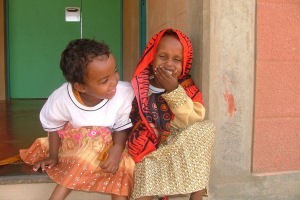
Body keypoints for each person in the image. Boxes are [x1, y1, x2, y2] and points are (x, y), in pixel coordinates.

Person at [20, 39, 135, 200]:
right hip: (75, 146)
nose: (114, 81)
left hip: (111, 146)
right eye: (104, 81)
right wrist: (53, 155)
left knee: (125, 164)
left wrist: (117, 149)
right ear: (80, 87)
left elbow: (122, 126)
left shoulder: (124, 93)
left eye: (115, 71)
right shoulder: (62, 99)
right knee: (88, 148)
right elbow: (52, 125)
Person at [127, 28, 215, 200]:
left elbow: (193, 118)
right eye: (162, 56)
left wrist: (174, 90)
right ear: (151, 57)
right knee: (145, 171)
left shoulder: (186, 86)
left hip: (176, 143)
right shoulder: (140, 85)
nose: (169, 64)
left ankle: (196, 196)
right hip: (148, 146)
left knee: (206, 128)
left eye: (177, 59)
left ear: (185, 63)